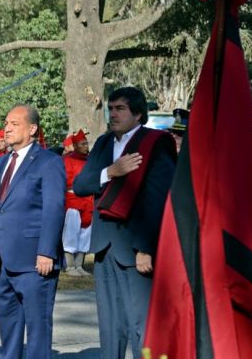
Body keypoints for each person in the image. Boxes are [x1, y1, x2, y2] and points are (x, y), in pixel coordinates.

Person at [73, 87, 176, 359]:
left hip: (135, 250)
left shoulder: (155, 142)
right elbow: (81, 185)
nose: (113, 113)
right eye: (111, 108)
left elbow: (158, 199)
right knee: (110, 328)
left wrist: (146, 247)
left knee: (141, 326)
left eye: (120, 108)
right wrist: (111, 171)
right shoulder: (105, 143)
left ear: (138, 113)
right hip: (105, 247)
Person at [0, 104, 66, 359]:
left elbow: (53, 209)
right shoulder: (0, 164)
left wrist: (47, 251)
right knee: (8, 329)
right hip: (2, 260)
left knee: (37, 329)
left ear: (33, 129)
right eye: (6, 123)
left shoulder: (49, 161)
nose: (6, 128)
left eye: (15, 124)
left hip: (35, 261)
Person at [62, 128, 94, 277]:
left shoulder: (91, 160)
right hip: (73, 201)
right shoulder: (68, 160)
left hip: (88, 201)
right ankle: (69, 265)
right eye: (82, 144)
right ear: (75, 146)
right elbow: (65, 181)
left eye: (86, 143)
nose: (86, 146)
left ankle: (79, 265)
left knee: (85, 233)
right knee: (71, 232)